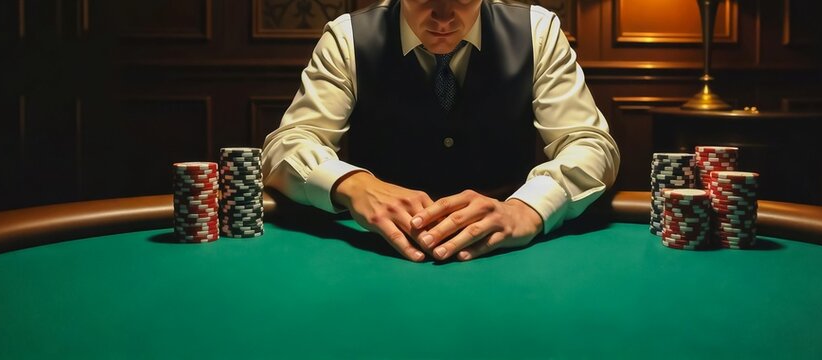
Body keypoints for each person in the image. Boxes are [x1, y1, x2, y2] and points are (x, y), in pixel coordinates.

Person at [261, 0, 619, 262]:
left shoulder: (538, 32)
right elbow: (288, 144)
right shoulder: (347, 38)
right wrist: (353, 185)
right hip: (383, 252)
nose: (444, 17)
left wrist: (528, 207)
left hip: (501, 251)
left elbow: (591, 145)